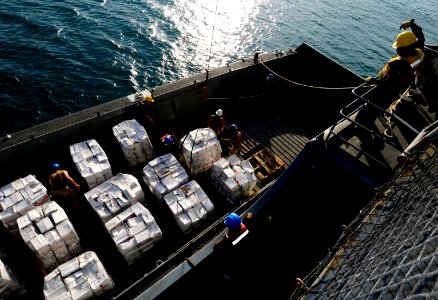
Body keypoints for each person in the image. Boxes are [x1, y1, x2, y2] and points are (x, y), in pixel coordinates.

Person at [355, 19, 425, 145]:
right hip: (399, 88)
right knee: (377, 108)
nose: (397, 48)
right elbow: (420, 37)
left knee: (368, 112)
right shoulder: (418, 51)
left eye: (399, 47)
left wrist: (374, 81)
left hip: (386, 91)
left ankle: (364, 133)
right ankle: (367, 125)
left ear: (404, 48)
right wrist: (412, 25)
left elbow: (389, 83)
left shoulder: (398, 65)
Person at [214, 212, 254, 280]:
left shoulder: (228, 241)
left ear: (229, 226)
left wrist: (225, 239)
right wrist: (242, 222)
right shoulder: (246, 225)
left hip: (237, 261)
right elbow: (250, 214)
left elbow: (216, 246)